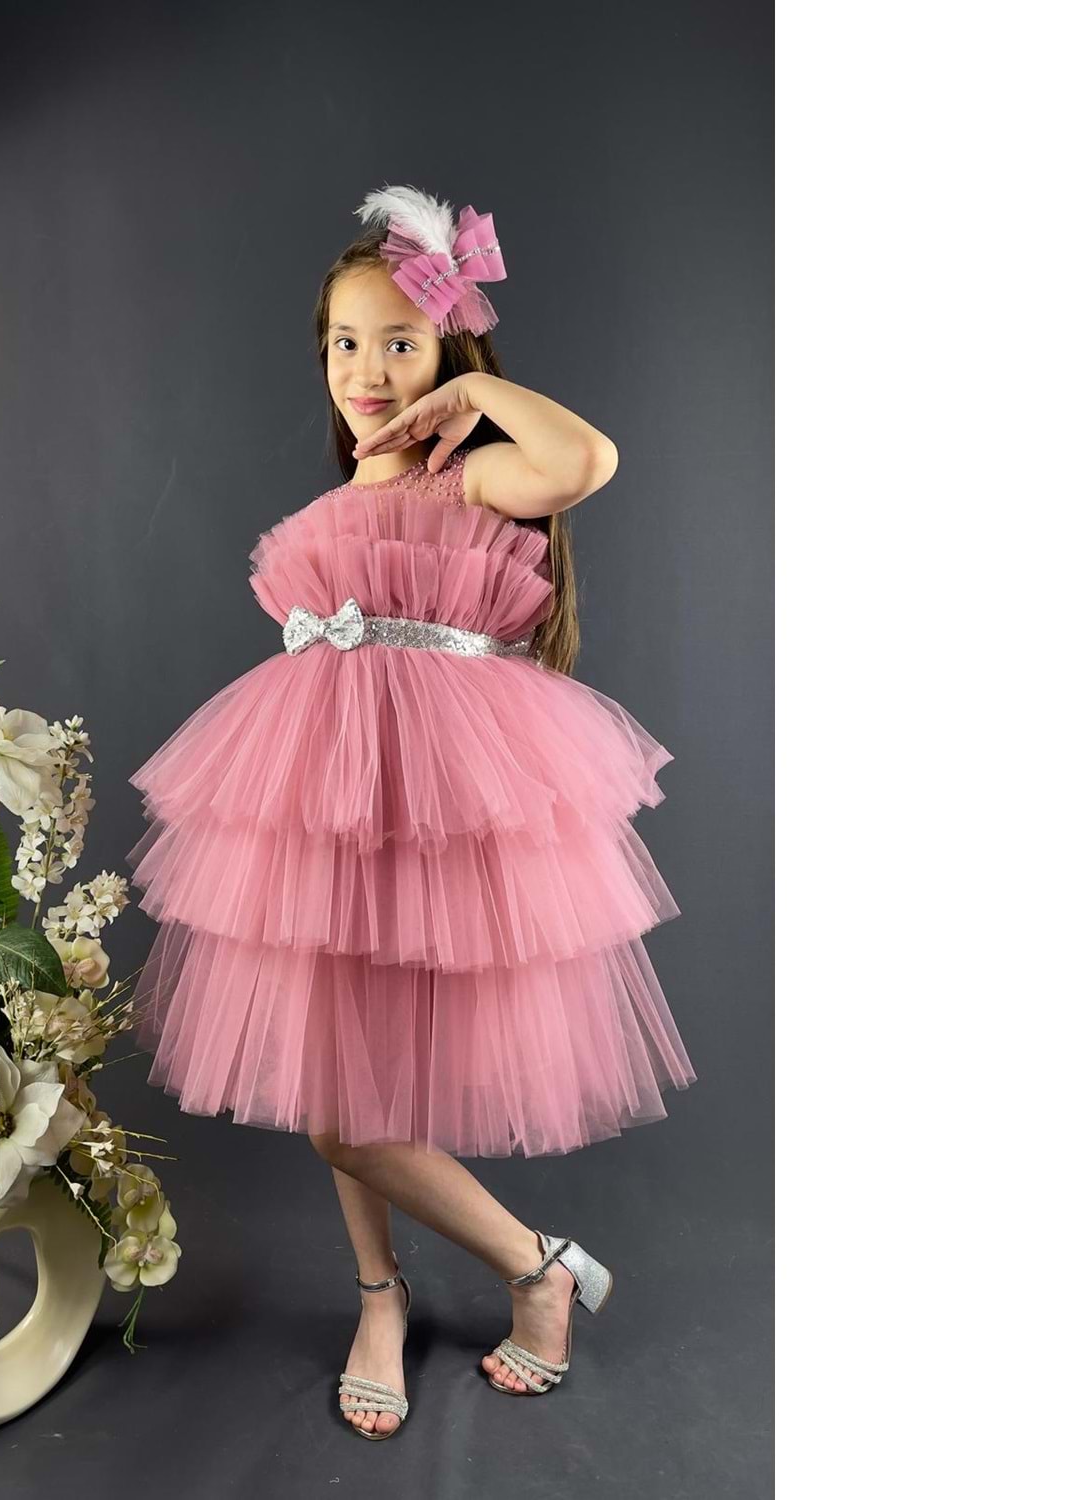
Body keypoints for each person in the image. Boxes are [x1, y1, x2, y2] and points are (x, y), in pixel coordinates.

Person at [124, 185, 696, 1440]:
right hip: (331, 804)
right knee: (340, 1069)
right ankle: (379, 1298)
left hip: (439, 801)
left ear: (447, 353)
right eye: (346, 341)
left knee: (349, 1116)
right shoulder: (324, 516)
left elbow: (584, 462)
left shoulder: (471, 475)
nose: (368, 370)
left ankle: (538, 1266)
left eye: (400, 342)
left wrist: (475, 393)